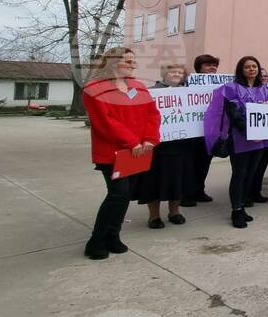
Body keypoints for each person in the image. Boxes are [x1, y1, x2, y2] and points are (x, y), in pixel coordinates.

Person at [81, 47, 161, 260]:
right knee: (118, 194)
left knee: (125, 195)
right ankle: (96, 240)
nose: (134, 65)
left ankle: (113, 236)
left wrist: (150, 139)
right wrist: (132, 142)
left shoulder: (138, 86)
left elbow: (152, 114)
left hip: (138, 151)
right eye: (129, 61)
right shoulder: (94, 89)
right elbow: (105, 121)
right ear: (113, 62)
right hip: (112, 152)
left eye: (134, 61)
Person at [204, 56, 268, 228]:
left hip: (259, 139)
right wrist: (250, 132)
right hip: (240, 138)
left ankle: (242, 206)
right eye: (247, 67)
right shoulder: (231, 88)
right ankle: (236, 210)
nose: (252, 69)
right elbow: (234, 115)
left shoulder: (264, 90)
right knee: (239, 174)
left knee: (251, 174)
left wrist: (264, 132)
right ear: (241, 70)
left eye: (254, 66)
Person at [134, 63, 189, 229]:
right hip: (156, 146)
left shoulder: (188, 93)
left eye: (180, 72)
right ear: (164, 74)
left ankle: (174, 212)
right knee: (153, 181)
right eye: (173, 71)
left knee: (177, 180)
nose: (177, 74)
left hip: (180, 145)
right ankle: (154, 216)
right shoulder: (150, 92)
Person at [181, 54, 219, 207]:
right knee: (189, 164)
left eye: (214, 65)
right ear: (199, 67)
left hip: (208, 131)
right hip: (190, 132)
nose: (212, 68)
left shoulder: (219, 84)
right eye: (208, 65)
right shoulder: (186, 83)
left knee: (204, 162)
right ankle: (185, 194)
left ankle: (199, 191)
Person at [245, 67, 268, 208]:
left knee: (261, 167)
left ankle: (256, 192)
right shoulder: (247, 91)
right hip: (251, 138)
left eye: (266, 76)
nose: (264, 78)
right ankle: (245, 196)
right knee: (249, 169)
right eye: (261, 75)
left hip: (267, 139)